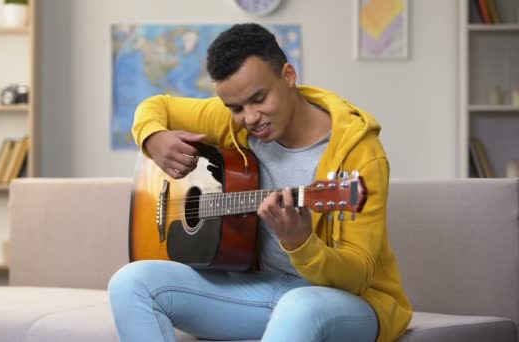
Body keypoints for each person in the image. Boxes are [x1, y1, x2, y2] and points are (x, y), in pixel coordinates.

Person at [108, 23, 412, 342]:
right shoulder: (238, 120)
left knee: (300, 305)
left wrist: (302, 243)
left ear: (289, 75)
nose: (250, 118)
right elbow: (158, 106)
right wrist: (153, 137)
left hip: (346, 303)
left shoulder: (361, 155)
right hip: (259, 290)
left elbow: (357, 277)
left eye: (259, 99)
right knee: (130, 282)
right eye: (236, 108)